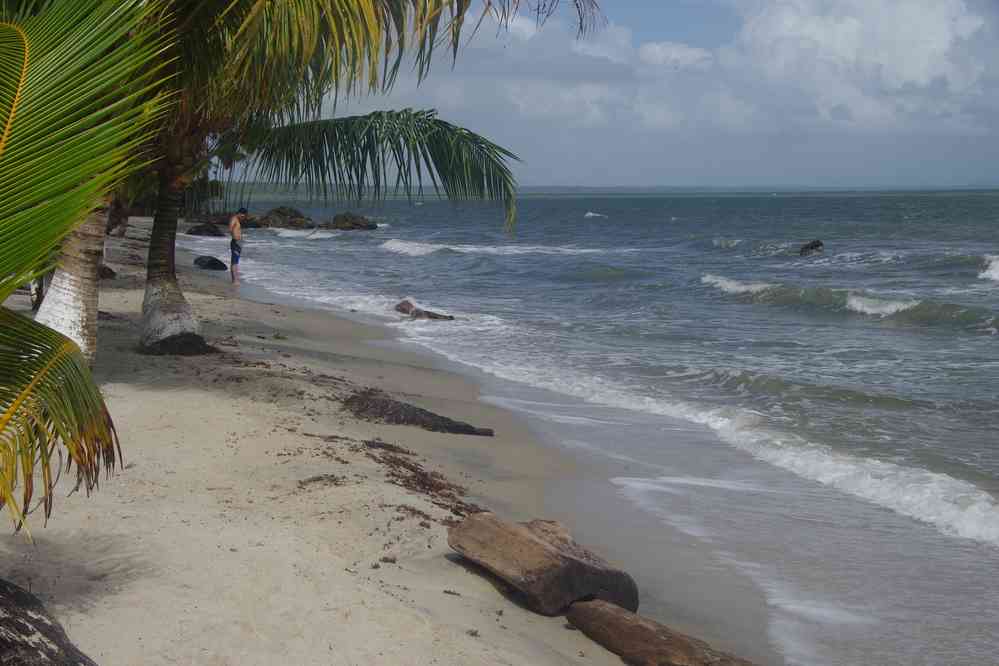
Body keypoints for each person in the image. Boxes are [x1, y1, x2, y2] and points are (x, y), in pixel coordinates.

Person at [229, 208, 247, 284]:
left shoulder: (237, 219)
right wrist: (234, 237)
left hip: (238, 242)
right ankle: (235, 280)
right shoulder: (234, 219)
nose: (243, 217)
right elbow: (230, 228)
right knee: (235, 262)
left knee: (235, 262)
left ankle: (234, 279)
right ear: (239, 213)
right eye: (243, 215)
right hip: (236, 242)